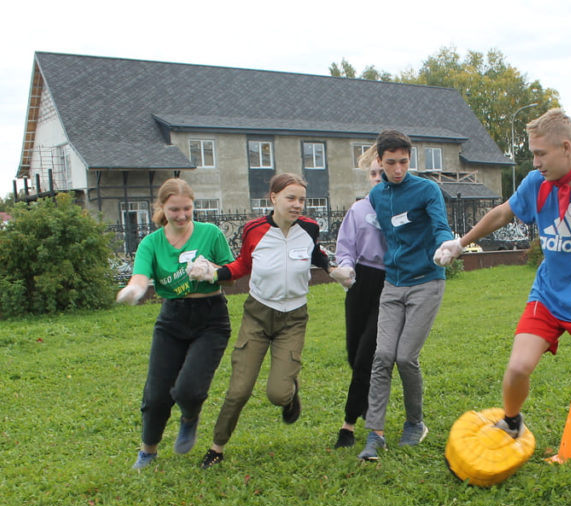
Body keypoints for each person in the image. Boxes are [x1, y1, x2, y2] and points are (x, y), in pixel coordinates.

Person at [434, 108, 571, 464]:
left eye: (541, 153)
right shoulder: (536, 184)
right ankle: (511, 422)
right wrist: (460, 243)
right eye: (533, 153)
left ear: (566, 147)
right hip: (549, 297)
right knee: (517, 368)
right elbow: (502, 213)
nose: (535, 161)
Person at [188, 173, 332, 468]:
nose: (297, 205)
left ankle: (291, 396)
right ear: (273, 198)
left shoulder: (310, 227)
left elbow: (314, 253)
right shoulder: (254, 229)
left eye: (301, 199)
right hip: (257, 314)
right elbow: (243, 264)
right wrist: (214, 274)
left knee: (278, 394)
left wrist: (332, 267)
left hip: (293, 318)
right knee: (238, 390)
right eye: (290, 198)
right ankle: (217, 448)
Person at [116, 178, 233, 470]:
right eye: (174, 210)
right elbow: (141, 276)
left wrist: (210, 270)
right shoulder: (151, 243)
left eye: (187, 209)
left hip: (211, 317)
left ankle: (189, 417)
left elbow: (231, 269)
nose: (181, 216)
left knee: (188, 390)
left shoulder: (211, 234)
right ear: (162, 208)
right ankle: (148, 450)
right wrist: (135, 290)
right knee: (156, 394)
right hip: (172, 319)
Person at [356, 130, 454, 462]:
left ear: (409, 160)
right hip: (393, 284)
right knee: (383, 355)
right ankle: (375, 434)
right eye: (391, 163)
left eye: (403, 162)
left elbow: (440, 225)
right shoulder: (378, 196)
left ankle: (415, 423)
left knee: (404, 357)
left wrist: (445, 244)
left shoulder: (427, 189)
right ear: (380, 162)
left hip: (427, 282)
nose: (398, 169)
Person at [329, 146, 387, 449]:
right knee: (354, 353)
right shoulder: (359, 209)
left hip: (390, 284)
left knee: (367, 355)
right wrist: (347, 270)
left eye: (384, 173)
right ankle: (365, 403)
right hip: (360, 282)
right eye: (374, 173)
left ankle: (348, 426)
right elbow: (345, 247)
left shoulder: (403, 209)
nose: (378, 178)